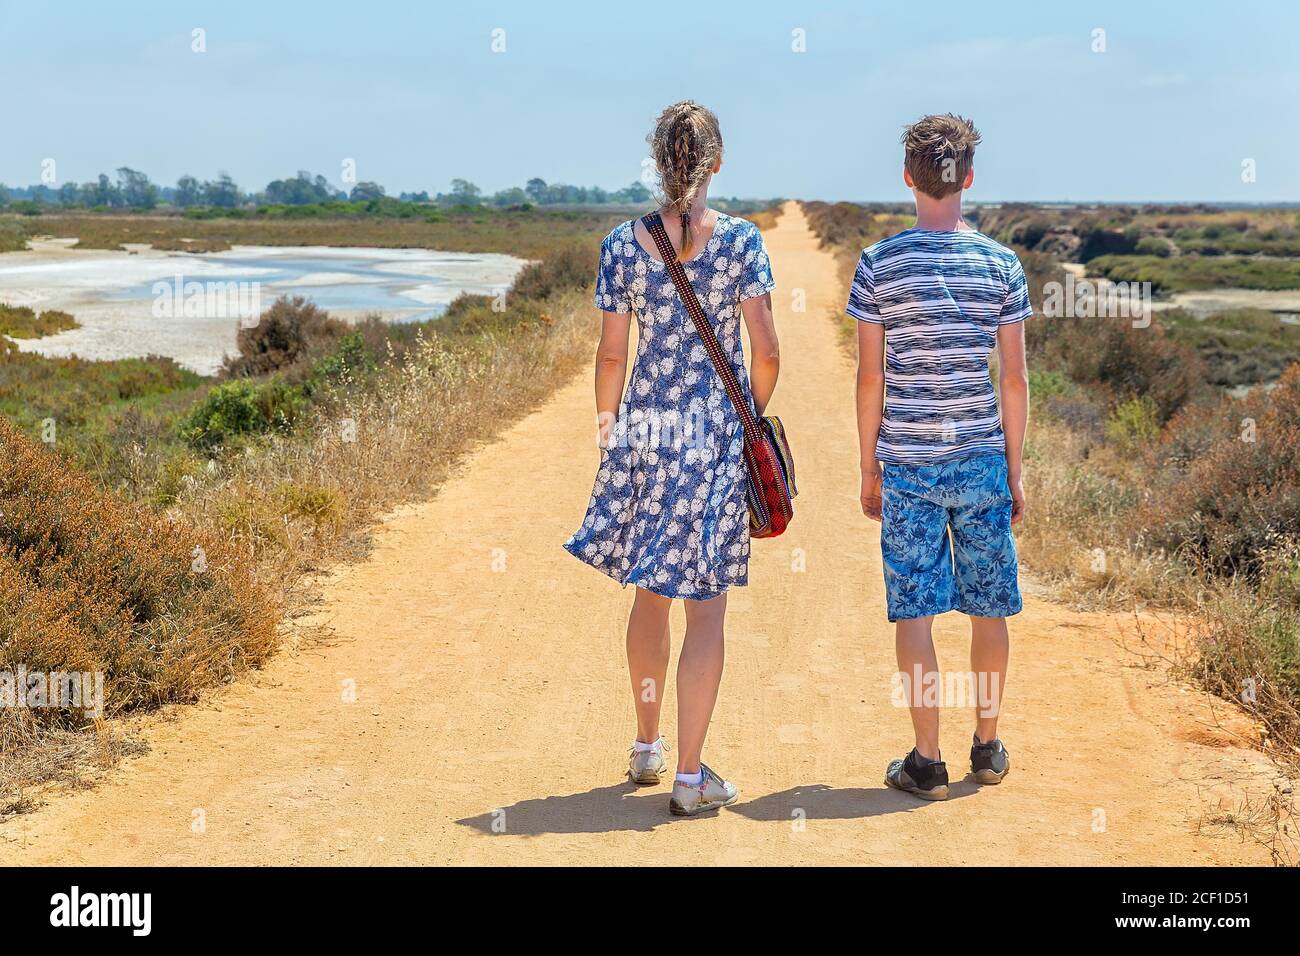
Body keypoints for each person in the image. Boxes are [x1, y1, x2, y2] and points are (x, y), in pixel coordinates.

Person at [563, 100, 779, 816]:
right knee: (706, 614)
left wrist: (608, 425)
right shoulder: (743, 242)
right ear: (716, 163)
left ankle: (646, 745)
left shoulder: (623, 245)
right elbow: (767, 352)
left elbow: (611, 352)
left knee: (649, 594)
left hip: (647, 431)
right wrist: (745, 417)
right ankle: (691, 779)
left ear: (659, 162)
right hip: (713, 436)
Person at [851, 114, 1030, 800]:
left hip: (910, 465)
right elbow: (1012, 379)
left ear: (908, 178)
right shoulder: (1000, 265)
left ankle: (926, 760)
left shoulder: (879, 264)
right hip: (981, 459)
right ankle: (987, 745)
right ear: (970, 177)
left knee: (915, 613)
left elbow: (872, 378)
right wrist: (1013, 470)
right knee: (990, 608)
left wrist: (869, 465)